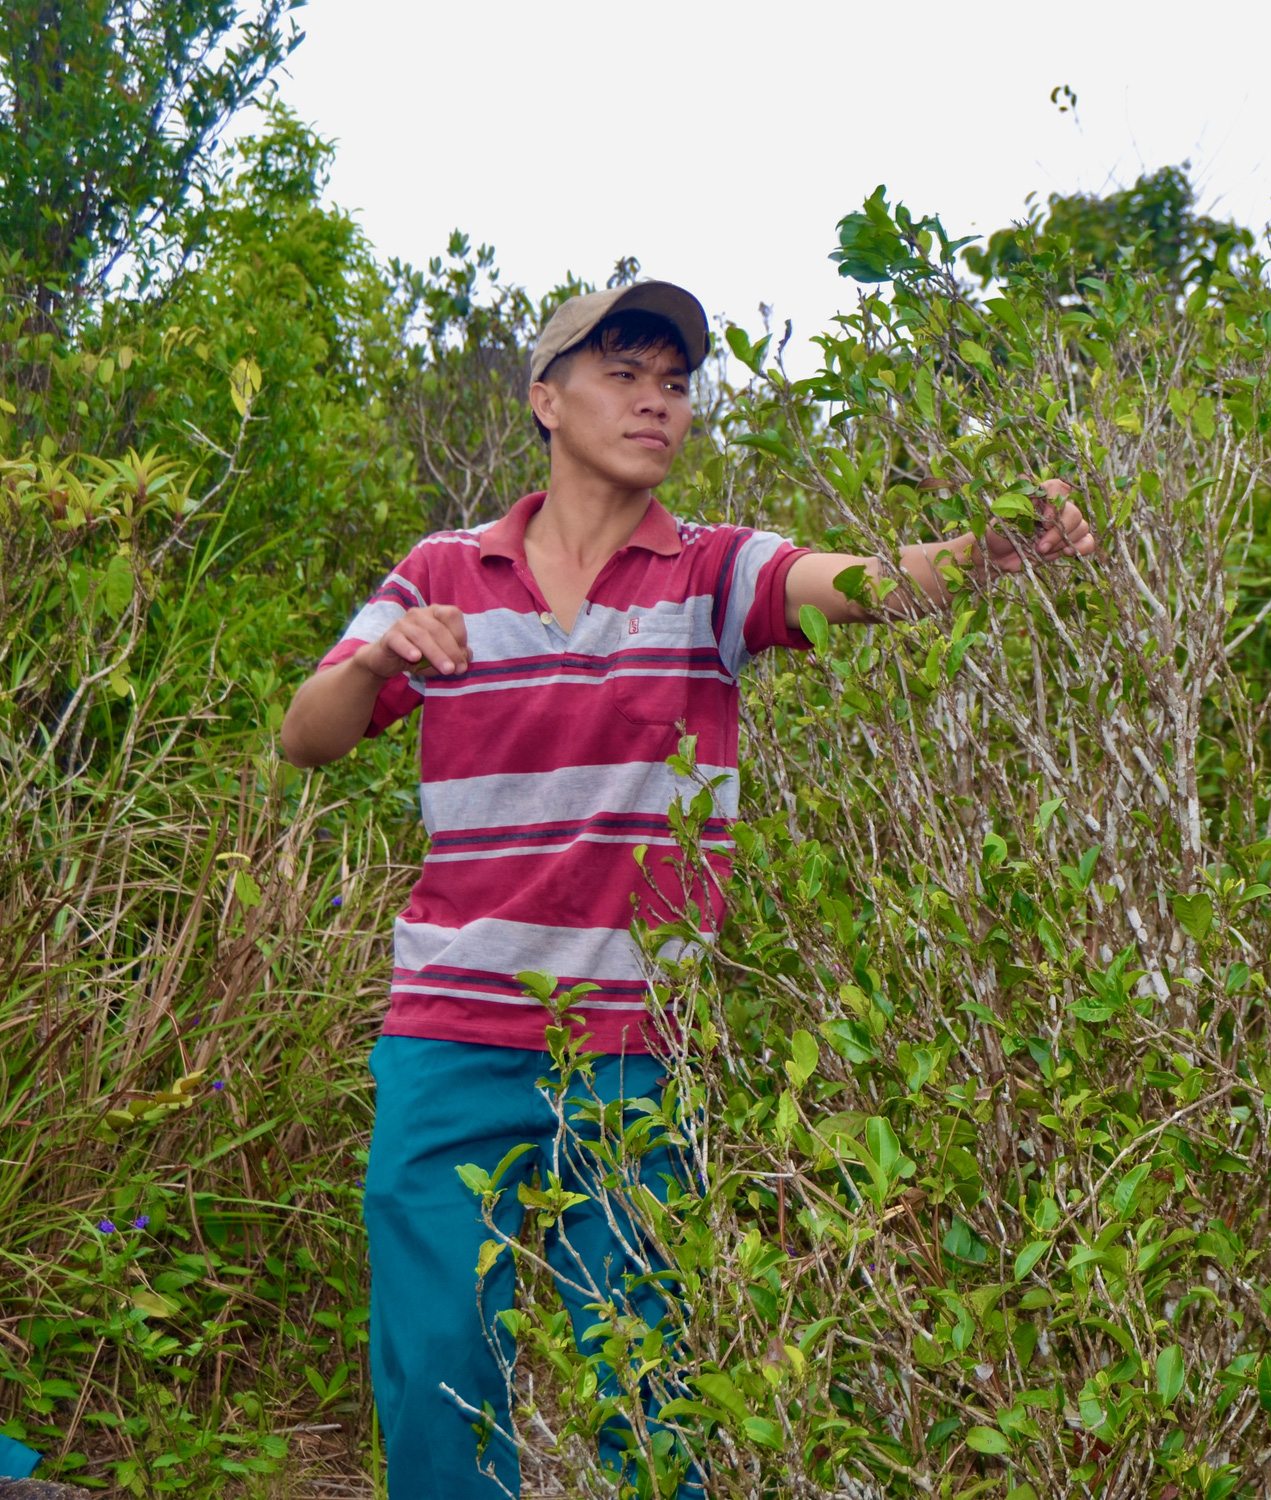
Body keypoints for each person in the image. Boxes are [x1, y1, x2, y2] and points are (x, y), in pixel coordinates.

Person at [279, 279, 1094, 1499]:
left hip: (635, 1054)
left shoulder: (710, 573)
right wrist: (388, 651)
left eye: (675, 383)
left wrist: (983, 555)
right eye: (625, 375)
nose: (657, 403)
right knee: (441, 1375)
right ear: (546, 399)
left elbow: (862, 580)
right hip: (450, 1038)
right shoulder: (445, 572)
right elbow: (307, 735)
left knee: (651, 1387)